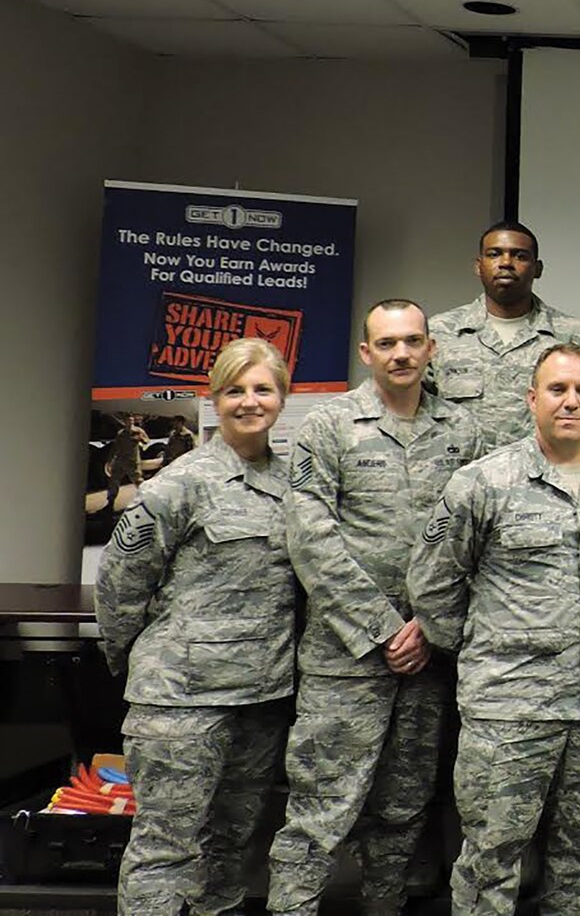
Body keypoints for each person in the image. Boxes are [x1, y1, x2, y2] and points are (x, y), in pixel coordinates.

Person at [407, 343, 580, 915]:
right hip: (510, 709)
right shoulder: (483, 483)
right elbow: (434, 584)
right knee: (492, 857)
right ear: (532, 399)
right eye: (557, 389)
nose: (571, 401)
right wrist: (483, 653)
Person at [265, 301, 484, 916]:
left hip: (427, 655)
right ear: (367, 353)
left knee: (403, 808)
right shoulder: (330, 425)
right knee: (319, 808)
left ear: (431, 348)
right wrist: (384, 628)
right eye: (387, 344)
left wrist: (430, 628)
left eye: (413, 341)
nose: (402, 354)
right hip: (347, 655)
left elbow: (472, 540)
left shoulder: (462, 432)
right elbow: (310, 537)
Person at [96, 338, 297, 916]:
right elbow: (119, 585)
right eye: (236, 390)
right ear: (214, 398)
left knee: (232, 848)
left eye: (262, 389)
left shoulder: (293, 486)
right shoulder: (179, 484)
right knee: (167, 849)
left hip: (260, 697)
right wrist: (137, 659)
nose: (250, 402)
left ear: (281, 397)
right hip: (181, 701)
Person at [429, 220, 580, 445]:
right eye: (494, 254)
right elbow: (418, 414)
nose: (506, 263)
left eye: (519, 256)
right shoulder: (440, 333)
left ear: (537, 269)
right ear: (478, 266)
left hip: (544, 475)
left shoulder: (573, 335)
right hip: (462, 476)